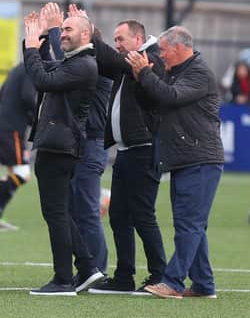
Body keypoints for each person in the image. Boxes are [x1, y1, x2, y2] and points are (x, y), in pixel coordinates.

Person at [126, 26, 224, 299]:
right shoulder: (174, 72)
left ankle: (173, 282)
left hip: (201, 159)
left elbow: (171, 96)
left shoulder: (198, 72)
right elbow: (153, 102)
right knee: (192, 225)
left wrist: (146, 73)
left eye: (164, 51)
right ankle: (203, 285)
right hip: (184, 158)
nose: (160, 56)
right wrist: (139, 78)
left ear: (180, 48)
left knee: (188, 225)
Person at [80, 16, 167, 295]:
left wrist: (89, 32)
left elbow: (110, 58)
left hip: (145, 149)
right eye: (115, 40)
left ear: (138, 39)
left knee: (143, 215)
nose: (117, 45)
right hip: (126, 150)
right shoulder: (128, 60)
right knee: (118, 215)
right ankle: (124, 276)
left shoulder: (149, 59)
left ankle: (159, 276)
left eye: (121, 39)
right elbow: (103, 60)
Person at [22, 11, 104, 296]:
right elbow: (46, 69)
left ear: (86, 34)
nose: (64, 34)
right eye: (63, 29)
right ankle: (87, 267)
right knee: (59, 212)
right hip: (56, 143)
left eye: (68, 29)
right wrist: (39, 39)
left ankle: (62, 279)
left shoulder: (84, 65)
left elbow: (42, 80)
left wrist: (33, 48)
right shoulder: (75, 63)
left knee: (56, 213)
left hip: (59, 145)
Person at [40, 3, 112, 276]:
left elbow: (65, 60)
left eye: (74, 32)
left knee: (86, 211)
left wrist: (58, 28)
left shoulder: (94, 67)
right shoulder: (85, 65)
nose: (66, 38)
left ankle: (97, 270)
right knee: (68, 209)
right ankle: (87, 267)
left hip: (91, 144)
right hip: (80, 143)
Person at [0, 62, 36, 231]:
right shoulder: (29, 69)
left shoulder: (16, 69)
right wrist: (37, 118)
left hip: (4, 129)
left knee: (15, 175)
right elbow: (27, 96)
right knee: (22, 174)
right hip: (11, 131)